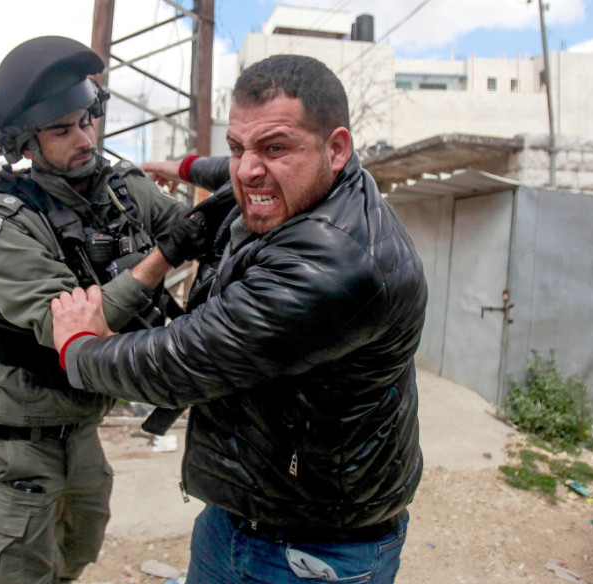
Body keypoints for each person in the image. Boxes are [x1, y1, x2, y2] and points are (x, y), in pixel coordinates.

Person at [52, 54, 429, 584]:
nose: (249, 168)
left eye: (275, 147)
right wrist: (180, 167)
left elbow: (182, 359)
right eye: (237, 147)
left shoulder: (335, 266)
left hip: (312, 549)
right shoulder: (305, 184)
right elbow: (230, 173)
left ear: (337, 148)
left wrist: (80, 348)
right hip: (245, 515)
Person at [0, 35, 187, 583]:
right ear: (25, 143)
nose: (85, 137)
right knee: (21, 567)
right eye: (62, 130)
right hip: (19, 438)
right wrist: (159, 261)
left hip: (82, 427)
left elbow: (188, 228)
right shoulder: (6, 223)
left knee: (81, 546)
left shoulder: (118, 190)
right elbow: (76, 328)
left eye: (88, 119)